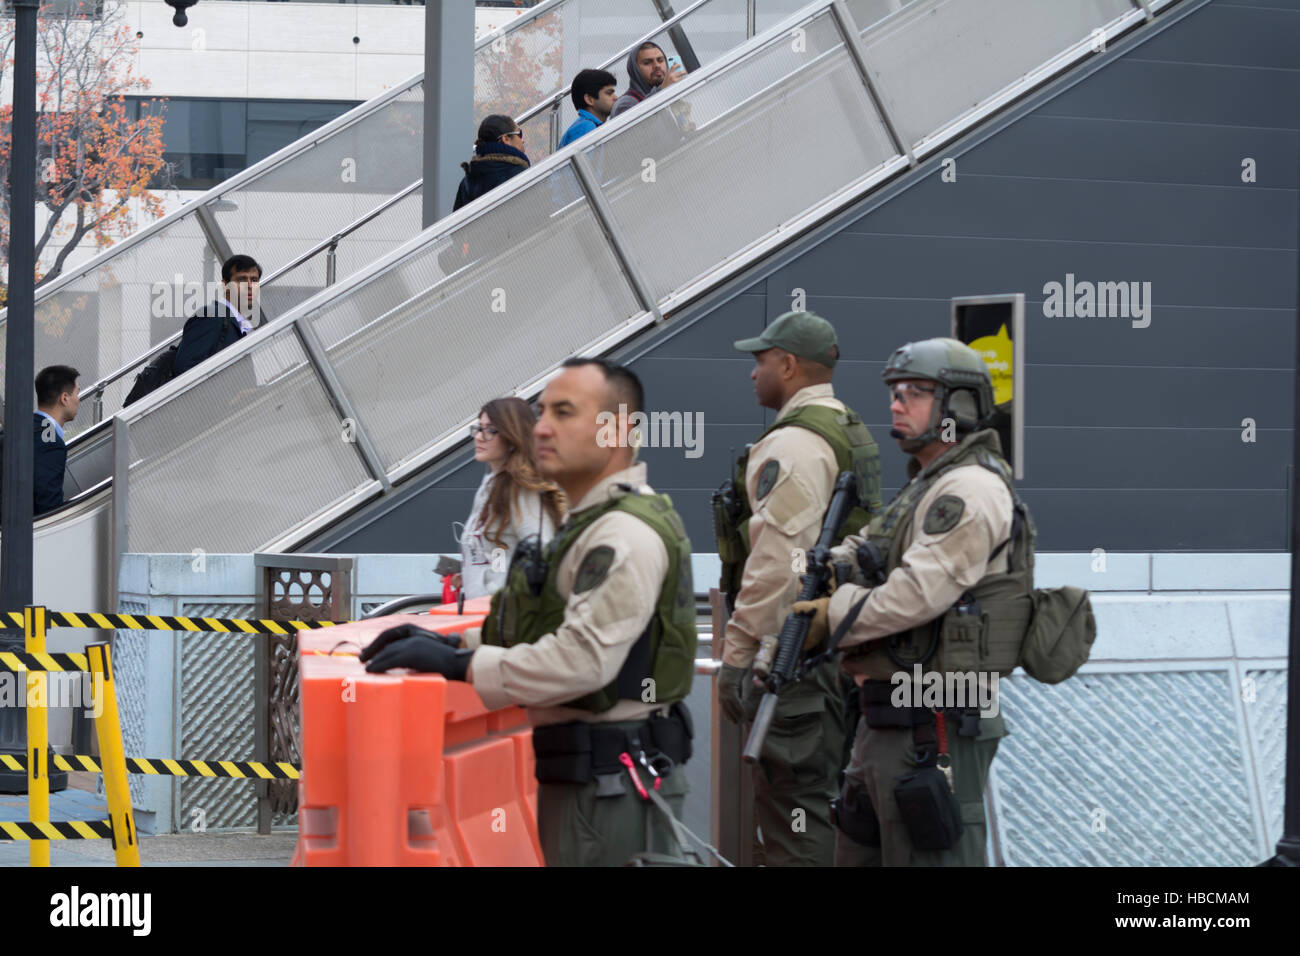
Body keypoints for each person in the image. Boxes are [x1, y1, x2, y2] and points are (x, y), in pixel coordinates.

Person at [363, 358, 697, 867]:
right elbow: (548, 625)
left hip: (610, 783)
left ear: (618, 430)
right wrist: (454, 644)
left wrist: (462, 664)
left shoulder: (621, 534)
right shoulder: (590, 524)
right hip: (594, 779)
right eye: (541, 413)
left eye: (565, 413)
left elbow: (581, 662)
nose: (542, 427)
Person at [791, 338, 1029, 867]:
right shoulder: (926, 486)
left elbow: (918, 593)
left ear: (959, 407)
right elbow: (870, 546)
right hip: (888, 718)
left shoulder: (968, 489)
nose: (897, 403)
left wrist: (831, 614)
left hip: (932, 723)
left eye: (916, 392)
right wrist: (828, 567)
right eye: (896, 392)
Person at [714, 310, 881, 866]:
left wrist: (738, 656)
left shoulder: (796, 445)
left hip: (797, 657)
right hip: (841, 647)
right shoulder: (847, 427)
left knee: (794, 814)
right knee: (831, 807)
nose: (752, 373)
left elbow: (779, 567)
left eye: (760, 361)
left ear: (787, 365)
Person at [454, 397, 566, 599]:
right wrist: (471, 575)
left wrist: (505, 592)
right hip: (483, 614)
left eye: (490, 430)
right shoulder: (490, 487)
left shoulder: (522, 489)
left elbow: (543, 553)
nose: (479, 436)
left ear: (512, 436)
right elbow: (499, 556)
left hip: (508, 618)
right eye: (479, 428)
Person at [172, 254, 262, 378]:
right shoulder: (211, 316)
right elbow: (185, 369)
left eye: (254, 280)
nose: (249, 286)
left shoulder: (240, 324)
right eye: (241, 279)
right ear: (225, 285)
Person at [453, 115, 530, 211]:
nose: (522, 140)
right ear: (506, 139)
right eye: (520, 134)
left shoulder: (466, 182)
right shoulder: (520, 175)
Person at [33, 364, 80, 516]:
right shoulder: (51, 444)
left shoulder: (25, 425)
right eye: (76, 394)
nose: (78, 400)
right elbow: (48, 509)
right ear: (65, 398)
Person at [609, 42, 685, 119]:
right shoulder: (624, 104)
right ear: (635, 70)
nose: (657, 66)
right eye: (647, 63)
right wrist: (661, 91)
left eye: (660, 60)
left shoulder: (668, 97)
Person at [559, 69, 618, 148]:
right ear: (589, 100)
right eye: (609, 93)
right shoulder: (586, 127)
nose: (616, 98)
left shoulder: (588, 125)